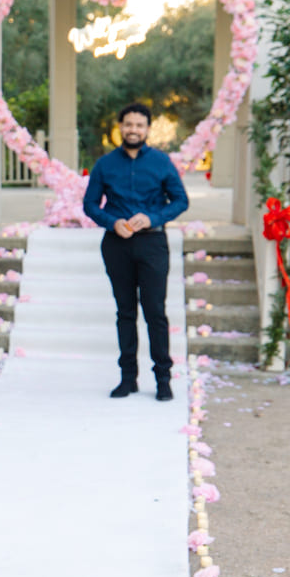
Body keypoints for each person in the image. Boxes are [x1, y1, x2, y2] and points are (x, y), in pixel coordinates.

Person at [82, 102, 188, 402]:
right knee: (125, 312)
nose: (133, 130)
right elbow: (90, 204)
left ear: (147, 129)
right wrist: (111, 222)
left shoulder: (161, 162)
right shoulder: (105, 164)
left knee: (155, 312)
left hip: (152, 243)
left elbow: (180, 201)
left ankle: (163, 380)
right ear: (120, 127)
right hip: (117, 245)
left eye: (139, 125)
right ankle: (127, 379)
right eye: (128, 124)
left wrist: (153, 218)